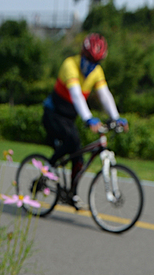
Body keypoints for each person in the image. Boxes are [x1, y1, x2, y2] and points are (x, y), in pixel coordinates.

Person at [42, 33, 127, 207]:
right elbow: (76, 95)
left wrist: (116, 117)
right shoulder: (70, 65)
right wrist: (89, 119)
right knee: (71, 142)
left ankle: (72, 194)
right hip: (53, 115)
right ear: (82, 52)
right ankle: (47, 169)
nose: (91, 64)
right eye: (88, 58)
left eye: (96, 61)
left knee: (78, 155)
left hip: (70, 118)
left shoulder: (96, 72)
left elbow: (105, 95)